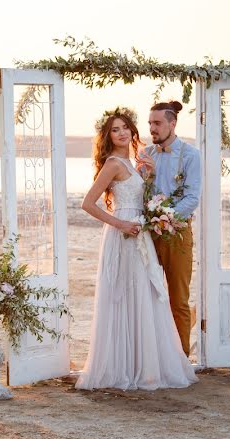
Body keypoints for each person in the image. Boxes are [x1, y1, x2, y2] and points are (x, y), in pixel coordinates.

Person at [75, 107, 197, 391]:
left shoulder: (131, 163)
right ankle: (122, 366)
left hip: (139, 235)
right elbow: (88, 203)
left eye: (125, 128)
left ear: (132, 131)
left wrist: (148, 177)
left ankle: (143, 363)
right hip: (123, 235)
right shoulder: (112, 164)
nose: (121, 133)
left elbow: (138, 196)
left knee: (144, 295)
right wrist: (120, 224)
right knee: (123, 296)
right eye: (115, 130)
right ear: (108, 136)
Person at [136, 101, 203, 357]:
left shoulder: (190, 155)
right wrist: (145, 178)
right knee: (148, 296)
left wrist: (167, 218)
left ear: (172, 123)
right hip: (149, 235)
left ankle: (181, 359)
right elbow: (138, 191)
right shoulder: (146, 153)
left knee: (178, 299)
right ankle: (153, 357)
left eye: (157, 123)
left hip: (178, 233)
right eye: (150, 123)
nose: (152, 128)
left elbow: (192, 197)